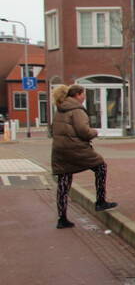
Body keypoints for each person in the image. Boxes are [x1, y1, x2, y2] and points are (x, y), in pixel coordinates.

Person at [51, 84, 118, 228]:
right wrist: (95, 132)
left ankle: (62, 218)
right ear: (77, 95)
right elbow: (84, 131)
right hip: (76, 149)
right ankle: (100, 201)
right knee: (101, 166)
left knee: (64, 181)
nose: (84, 97)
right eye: (83, 94)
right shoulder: (76, 110)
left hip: (60, 151)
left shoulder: (59, 109)